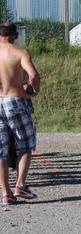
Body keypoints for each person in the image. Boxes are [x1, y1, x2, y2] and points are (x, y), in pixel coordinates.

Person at [0, 21, 40, 205]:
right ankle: (20, 185)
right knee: (26, 144)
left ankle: (6, 193)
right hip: (15, 99)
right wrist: (33, 90)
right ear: (14, 35)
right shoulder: (19, 53)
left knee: (1, 150)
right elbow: (33, 75)